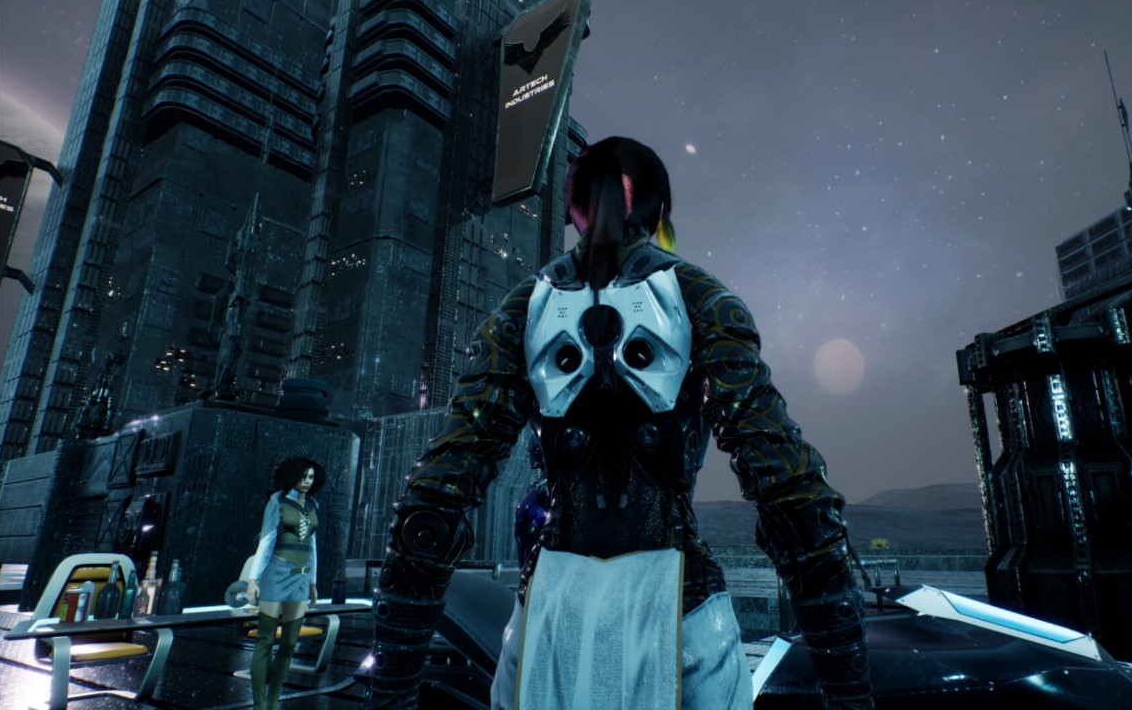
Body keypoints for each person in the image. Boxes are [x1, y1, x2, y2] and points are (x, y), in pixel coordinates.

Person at [366, 136, 872, 709]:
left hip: (549, 620)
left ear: (574, 208)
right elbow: (792, 493)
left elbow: (434, 501)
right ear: (657, 211)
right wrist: (850, 696)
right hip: (683, 618)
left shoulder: (523, 307)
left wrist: (391, 697)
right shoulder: (701, 297)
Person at [246, 456, 324, 710]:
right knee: (266, 640)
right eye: (303, 476)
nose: (307, 481)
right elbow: (266, 540)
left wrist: (312, 582)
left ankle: (273, 701)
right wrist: (253, 579)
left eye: (310, 477)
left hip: (301, 578)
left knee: (289, 644)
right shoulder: (277, 502)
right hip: (276, 574)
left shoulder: (312, 504)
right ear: (291, 476)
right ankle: (260, 704)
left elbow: (312, 546)